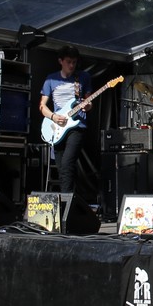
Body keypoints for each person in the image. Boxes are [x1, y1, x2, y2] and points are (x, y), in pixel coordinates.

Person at [39, 46, 94, 197]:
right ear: (60, 61)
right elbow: (42, 106)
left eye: (74, 62)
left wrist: (87, 106)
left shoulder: (83, 77)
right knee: (62, 167)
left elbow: (89, 102)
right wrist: (53, 117)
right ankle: (69, 199)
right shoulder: (51, 79)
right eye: (68, 62)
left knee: (67, 163)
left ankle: (67, 201)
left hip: (77, 125)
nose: (71, 65)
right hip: (58, 126)